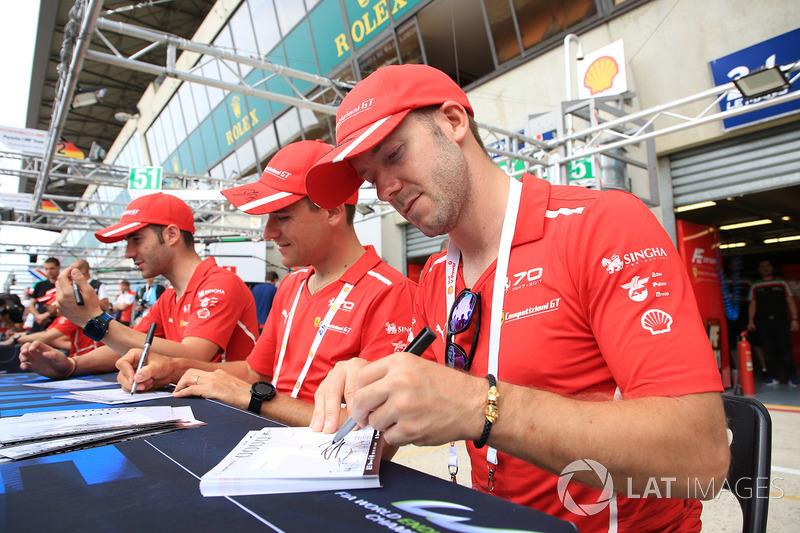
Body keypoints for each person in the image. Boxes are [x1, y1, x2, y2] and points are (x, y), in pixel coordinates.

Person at [304, 64, 730, 531]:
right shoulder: (436, 276)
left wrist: (478, 406)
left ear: (453, 121)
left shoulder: (601, 226)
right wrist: (372, 396)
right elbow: (422, 407)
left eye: (394, 154)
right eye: (369, 176)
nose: (385, 189)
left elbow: (701, 457)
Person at [115, 140, 416, 428]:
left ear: (333, 211)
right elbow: (253, 371)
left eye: (282, 217)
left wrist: (254, 399)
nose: (268, 232)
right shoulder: (292, 285)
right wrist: (171, 368)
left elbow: (373, 428)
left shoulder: (390, 292)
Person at [18, 192, 259, 379]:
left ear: (171, 235)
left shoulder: (220, 283)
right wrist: (71, 365)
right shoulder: (169, 298)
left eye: (136, 239)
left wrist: (95, 320)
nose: (129, 252)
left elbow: (194, 355)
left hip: (234, 415)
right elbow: (127, 344)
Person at [747, 259, 799, 386]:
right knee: (768, 350)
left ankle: (792, 376)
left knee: (785, 349)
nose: (765, 268)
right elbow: (752, 304)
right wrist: (750, 321)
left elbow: (790, 301)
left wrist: (795, 319)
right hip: (763, 322)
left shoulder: (781, 283)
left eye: (767, 266)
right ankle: (772, 377)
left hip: (780, 320)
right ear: (759, 270)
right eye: (762, 266)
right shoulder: (756, 285)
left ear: (772, 268)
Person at [27, 257, 60, 332]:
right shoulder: (38, 285)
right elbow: (31, 303)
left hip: (57, 322)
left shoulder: (66, 284)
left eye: (52, 268)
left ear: (58, 267)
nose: (49, 271)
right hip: (39, 322)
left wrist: (47, 315)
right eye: (46, 269)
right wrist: (38, 316)